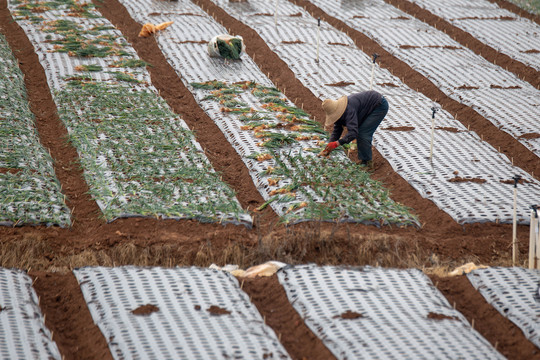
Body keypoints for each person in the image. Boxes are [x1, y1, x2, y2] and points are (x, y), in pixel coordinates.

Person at [319, 90, 388, 167]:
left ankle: (367, 163)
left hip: (378, 105)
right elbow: (337, 129)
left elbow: (353, 133)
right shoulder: (340, 113)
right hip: (366, 108)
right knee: (360, 130)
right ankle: (364, 159)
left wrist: (337, 143)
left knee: (363, 133)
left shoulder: (348, 110)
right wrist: (329, 145)